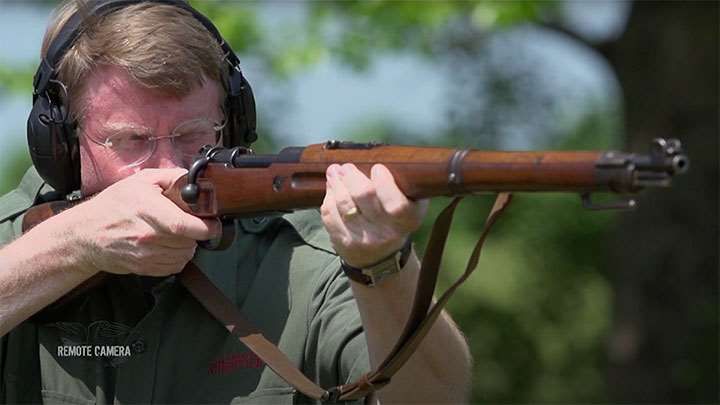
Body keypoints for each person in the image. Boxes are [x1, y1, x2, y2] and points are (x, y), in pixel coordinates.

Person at [0, 1, 471, 403]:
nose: (169, 168)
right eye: (130, 141)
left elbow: (436, 396)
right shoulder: (14, 239)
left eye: (192, 135)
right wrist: (71, 248)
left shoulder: (298, 261)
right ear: (60, 142)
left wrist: (383, 265)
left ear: (232, 126)